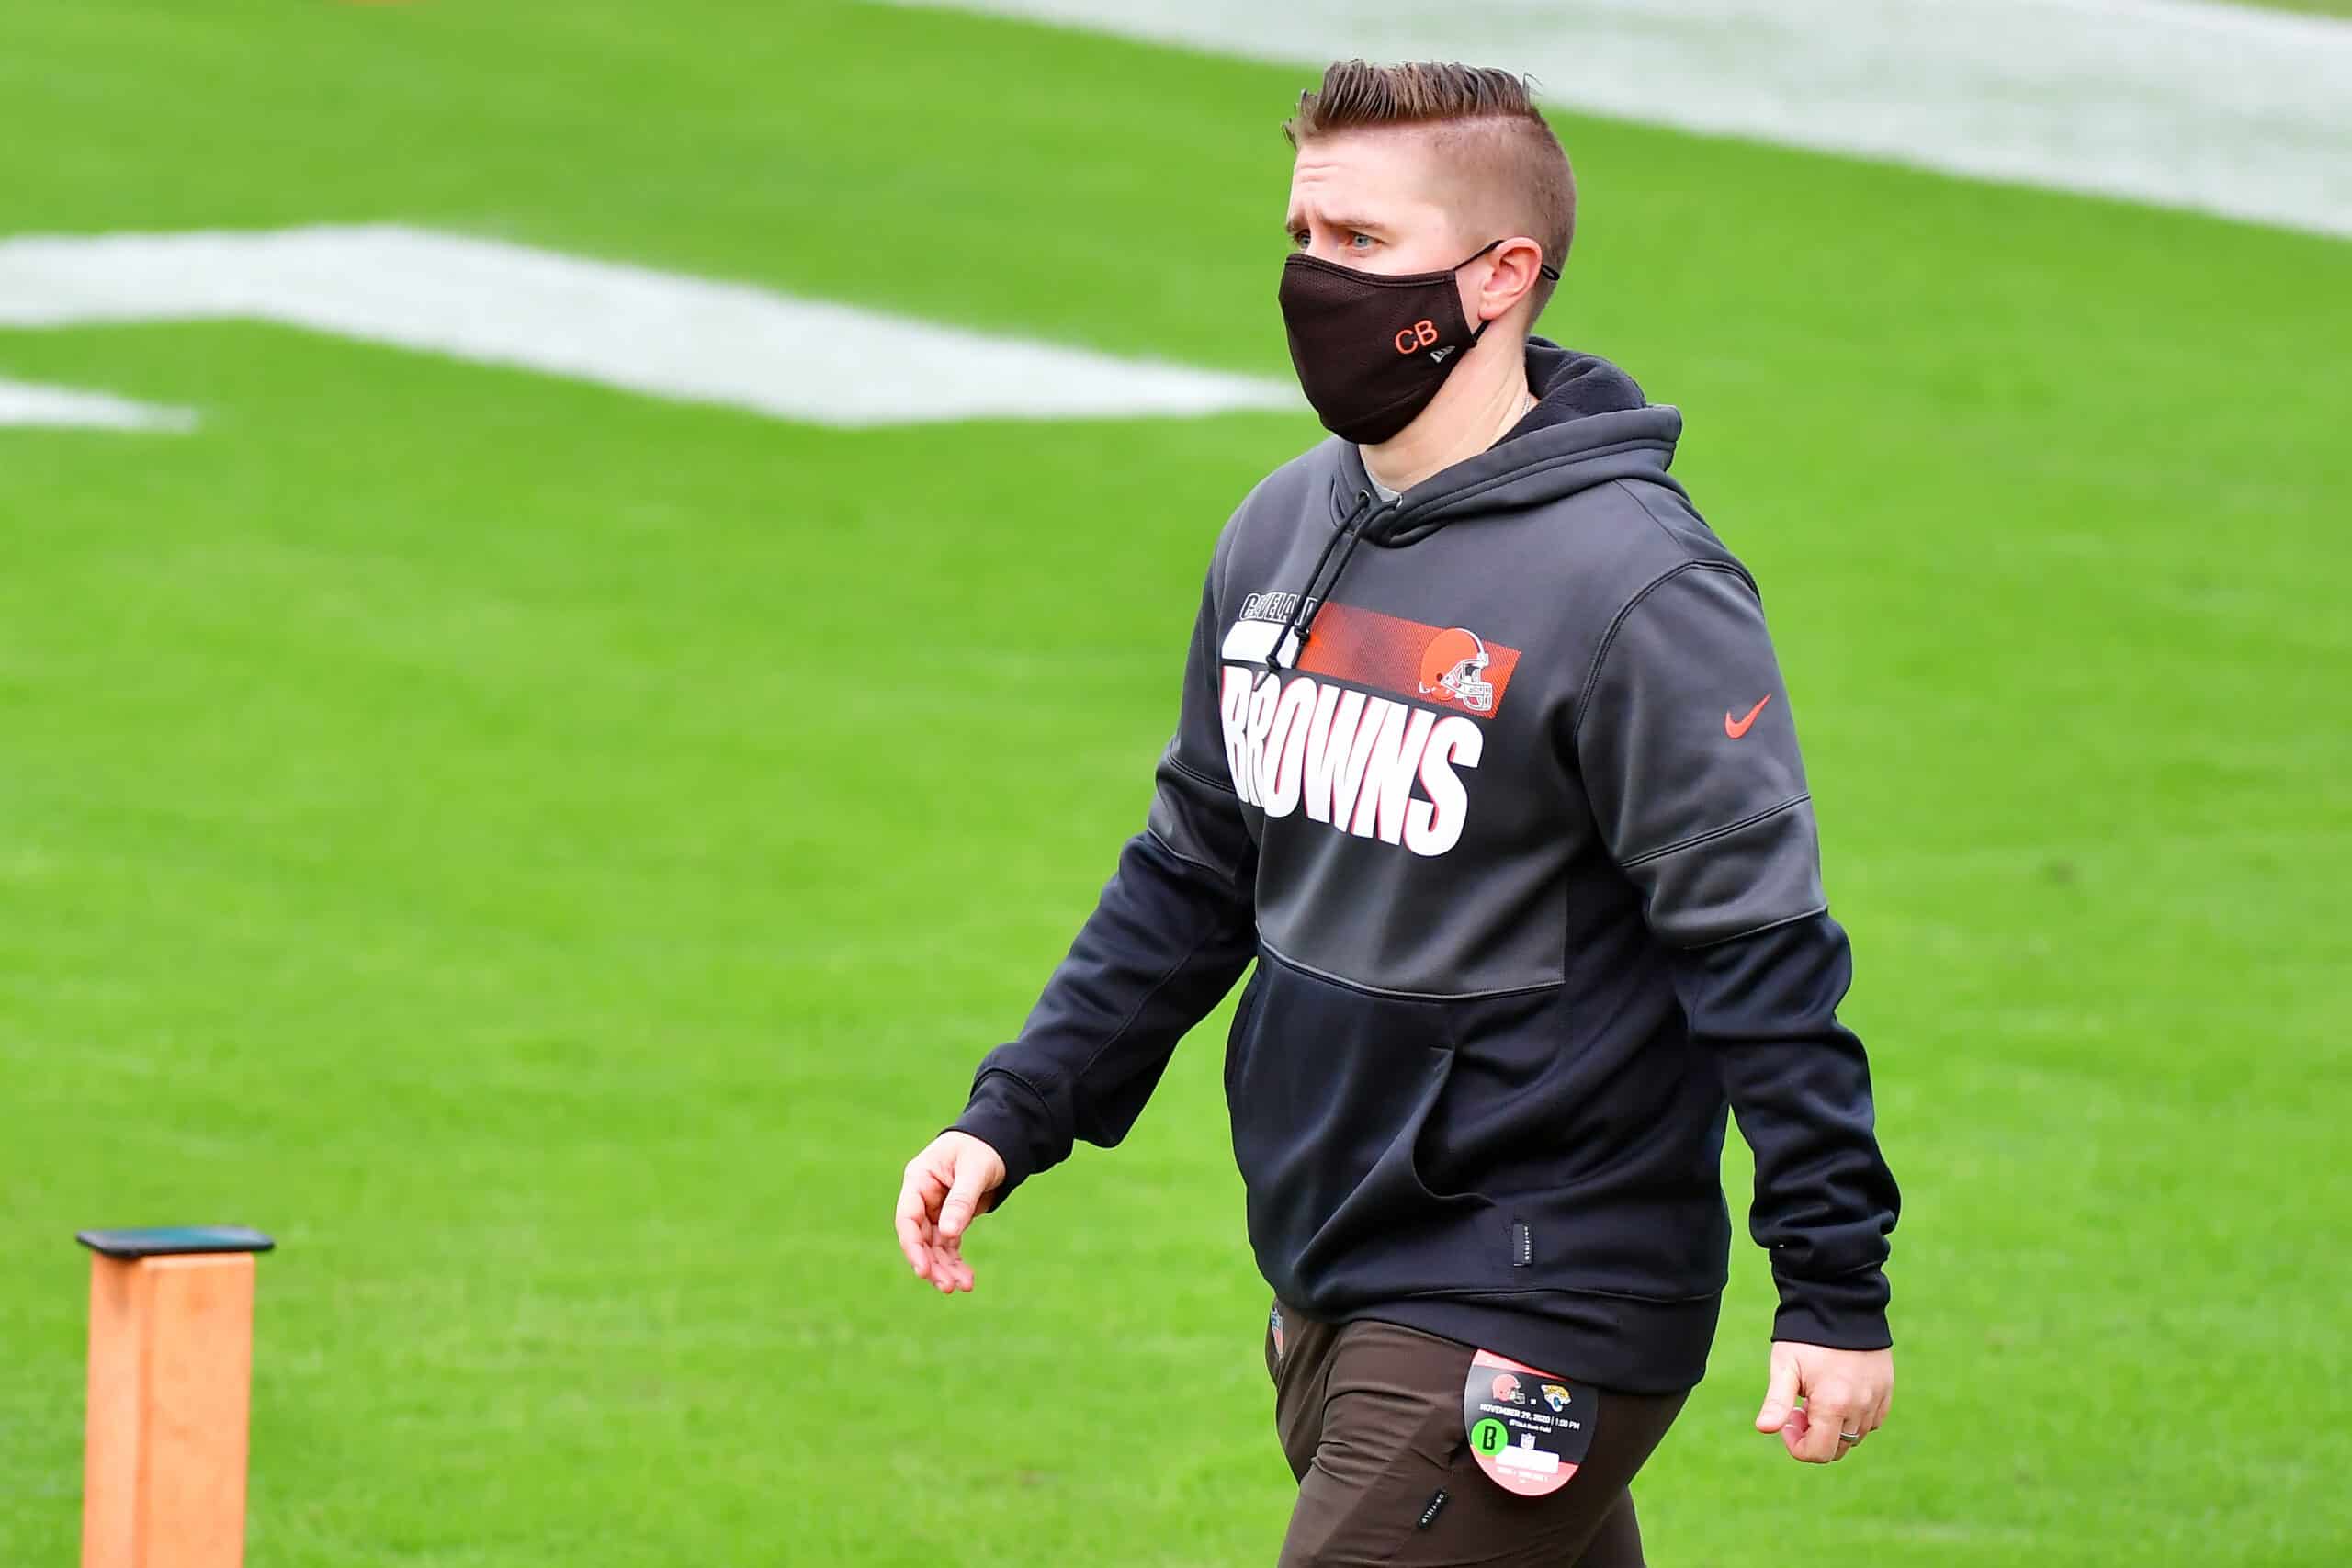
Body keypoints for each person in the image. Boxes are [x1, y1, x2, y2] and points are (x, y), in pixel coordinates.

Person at [893, 59, 1901, 1567]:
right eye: (1303, 237)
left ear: (1501, 278)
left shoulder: (1639, 591)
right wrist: (1017, 1109)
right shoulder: (1283, 529)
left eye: (1362, 246)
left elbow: (1757, 951)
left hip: (1541, 1282)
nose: (1316, 280)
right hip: (1336, 1253)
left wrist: (1832, 1287)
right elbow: (1195, 867)